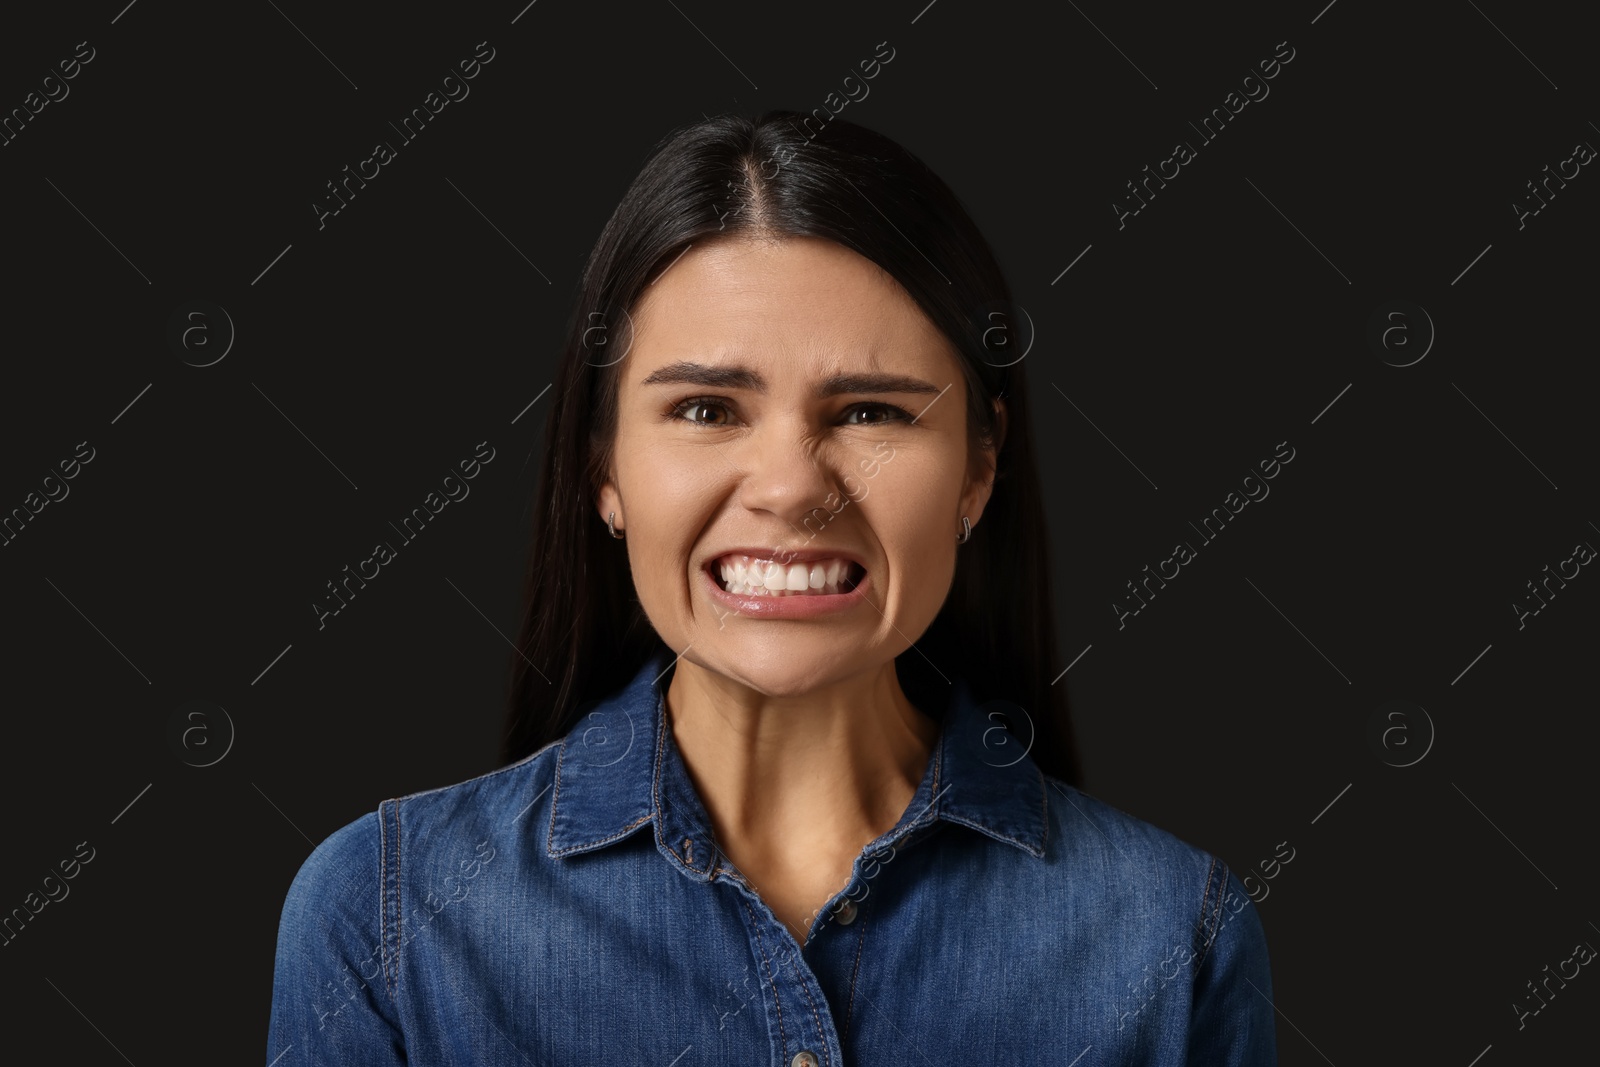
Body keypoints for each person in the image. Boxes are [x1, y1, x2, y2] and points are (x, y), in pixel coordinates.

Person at [267, 110, 1278, 1065]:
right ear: (602, 469)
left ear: (979, 465)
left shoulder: (1171, 932)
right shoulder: (386, 916)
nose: (794, 487)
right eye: (706, 409)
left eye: (873, 411)